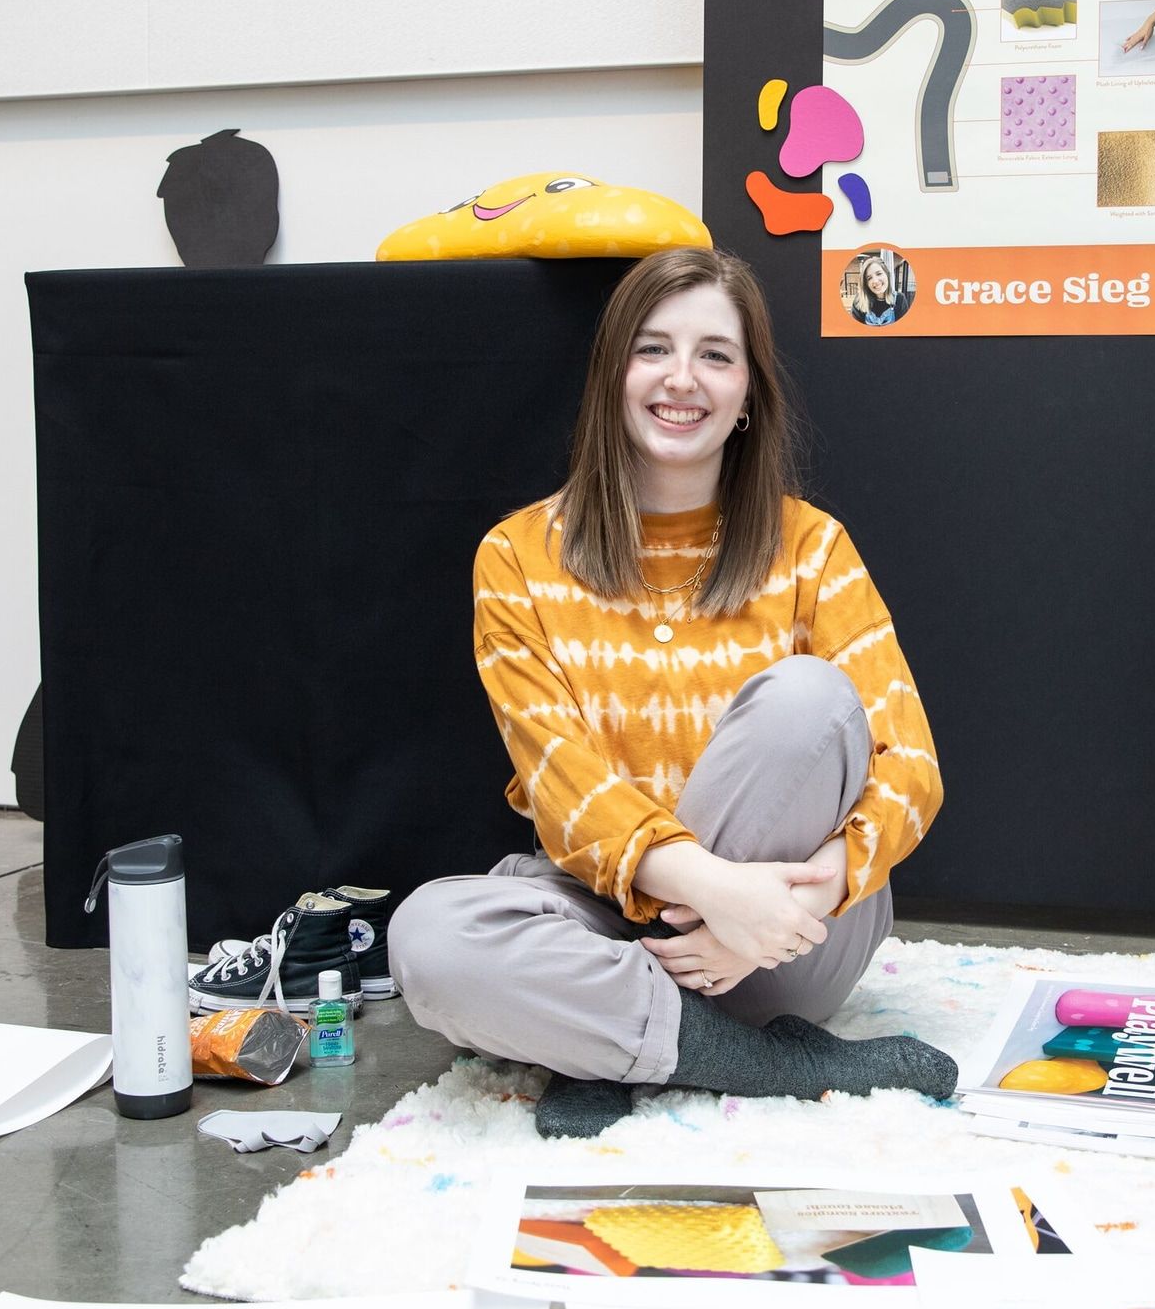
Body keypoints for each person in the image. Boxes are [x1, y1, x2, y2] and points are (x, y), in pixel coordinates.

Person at [387, 246, 954, 1138]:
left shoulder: (812, 549)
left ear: (748, 396)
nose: (680, 379)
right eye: (652, 349)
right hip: (610, 909)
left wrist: (797, 897)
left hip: (787, 936)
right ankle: (761, 1062)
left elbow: (912, 764)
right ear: (613, 374)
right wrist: (711, 892)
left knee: (808, 699)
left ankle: (599, 1039)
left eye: (715, 355)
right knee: (427, 938)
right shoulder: (517, 557)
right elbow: (564, 790)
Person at [853, 252, 904, 326]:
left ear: (887, 274)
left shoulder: (900, 299)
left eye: (879, 274)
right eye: (869, 278)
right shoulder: (859, 301)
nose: (875, 281)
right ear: (866, 283)